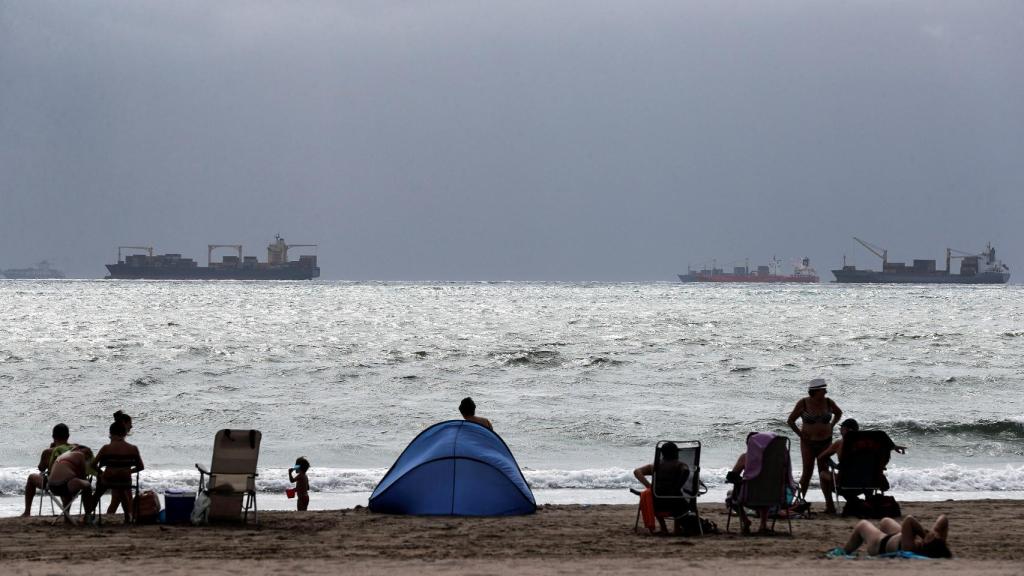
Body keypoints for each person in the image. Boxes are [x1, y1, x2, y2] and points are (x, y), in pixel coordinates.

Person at [787, 378, 842, 512]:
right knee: (807, 473)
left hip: (825, 442)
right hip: (808, 443)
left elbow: (839, 413)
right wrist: (801, 435)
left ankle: (830, 506)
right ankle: (798, 503)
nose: (826, 391)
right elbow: (791, 421)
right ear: (815, 391)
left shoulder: (829, 402)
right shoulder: (804, 403)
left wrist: (832, 425)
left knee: (823, 472)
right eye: (823, 389)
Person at [85, 421, 144, 522]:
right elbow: (140, 467)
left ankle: (88, 515)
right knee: (122, 490)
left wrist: (101, 473)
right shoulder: (133, 449)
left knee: (97, 494)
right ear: (125, 434)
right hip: (125, 480)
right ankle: (127, 516)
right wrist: (129, 471)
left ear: (110, 434)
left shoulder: (106, 448)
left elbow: (93, 465)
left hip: (108, 480)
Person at [633, 442, 691, 535]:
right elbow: (686, 470)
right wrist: (678, 486)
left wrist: (649, 486)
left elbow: (637, 471)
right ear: (675, 453)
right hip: (676, 505)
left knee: (654, 495)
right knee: (678, 497)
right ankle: (677, 529)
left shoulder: (655, 466)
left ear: (662, 454)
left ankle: (664, 528)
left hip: (656, 504)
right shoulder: (679, 465)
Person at [837, 514, 951, 558]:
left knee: (862, 525)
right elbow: (944, 519)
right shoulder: (937, 545)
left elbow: (909, 520)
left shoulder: (910, 547)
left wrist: (924, 535)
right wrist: (935, 533)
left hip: (879, 544)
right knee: (886, 521)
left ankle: (845, 551)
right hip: (897, 538)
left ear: (925, 544)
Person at [21, 423, 74, 517]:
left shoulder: (49, 452)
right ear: (68, 436)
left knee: (31, 478)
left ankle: (27, 511)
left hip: (53, 485)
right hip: (72, 483)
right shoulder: (75, 449)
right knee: (65, 479)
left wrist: (51, 449)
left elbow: (41, 468)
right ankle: (67, 513)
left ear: (53, 437)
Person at [37, 445, 95, 519]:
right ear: (78, 449)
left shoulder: (64, 455)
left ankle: (67, 517)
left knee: (73, 482)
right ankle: (88, 515)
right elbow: (82, 476)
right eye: (87, 452)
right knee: (87, 484)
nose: (86, 456)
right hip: (65, 486)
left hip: (51, 487)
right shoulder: (79, 454)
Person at [106, 410, 134, 515]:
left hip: (114, 474)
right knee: (123, 500)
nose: (131, 427)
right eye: (130, 424)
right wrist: (129, 471)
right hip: (122, 476)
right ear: (124, 424)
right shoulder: (124, 446)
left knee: (117, 500)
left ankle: (110, 516)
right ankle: (129, 518)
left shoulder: (112, 442)